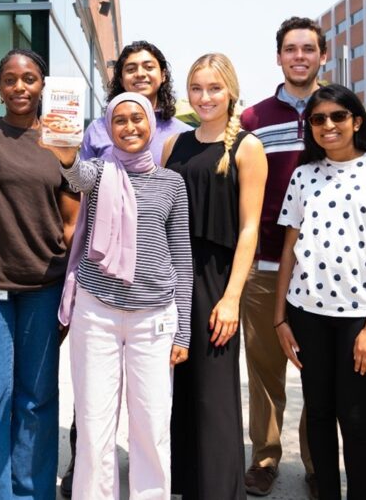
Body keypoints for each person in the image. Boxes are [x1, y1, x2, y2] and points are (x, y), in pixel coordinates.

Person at [43, 92, 192, 500]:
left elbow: (182, 256)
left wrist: (184, 331)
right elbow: (75, 174)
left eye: (137, 119)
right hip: (96, 314)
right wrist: (63, 147)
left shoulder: (171, 183)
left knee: (152, 425)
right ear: (109, 128)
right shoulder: (99, 172)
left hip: (154, 317)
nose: (129, 127)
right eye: (120, 120)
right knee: (94, 424)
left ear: (151, 124)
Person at [0, 49, 80, 500]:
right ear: (0, 86)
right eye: (10, 79)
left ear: (42, 84)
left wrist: (68, 282)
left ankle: (32, 493)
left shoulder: (61, 139)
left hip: (43, 286)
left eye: (29, 78)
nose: (20, 87)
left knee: (37, 401)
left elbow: (70, 220)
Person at [273, 83, 366, 500]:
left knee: (353, 416)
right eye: (318, 119)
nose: (328, 125)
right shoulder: (303, 175)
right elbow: (289, 250)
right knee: (318, 414)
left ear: (356, 121)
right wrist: (280, 318)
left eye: (337, 117)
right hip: (306, 313)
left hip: (359, 317)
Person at [163, 54, 266, 499]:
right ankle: (188, 487)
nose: (205, 97)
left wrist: (231, 297)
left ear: (230, 92)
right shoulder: (174, 146)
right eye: (197, 88)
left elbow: (249, 228)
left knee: (214, 395)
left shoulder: (246, 147)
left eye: (214, 88)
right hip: (172, 276)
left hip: (217, 278)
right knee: (179, 391)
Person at [238, 16, 323, 496]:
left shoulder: (338, 110)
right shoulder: (253, 119)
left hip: (323, 273)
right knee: (265, 370)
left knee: (319, 373)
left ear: (322, 56)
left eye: (308, 48)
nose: (299, 56)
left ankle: (316, 462)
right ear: (278, 57)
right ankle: (265, 457)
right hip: (267, 265)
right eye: (291, 49)